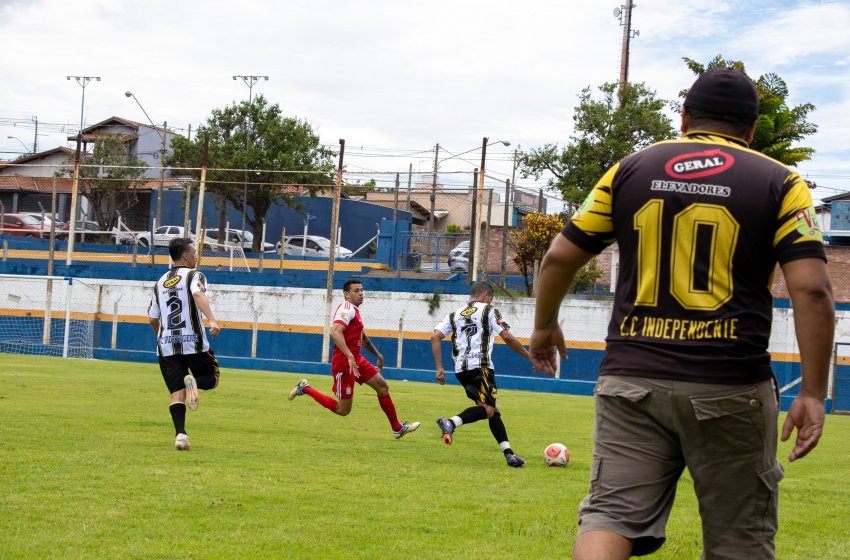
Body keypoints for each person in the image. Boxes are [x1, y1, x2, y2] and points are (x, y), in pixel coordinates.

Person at [529, 67, 835, 559]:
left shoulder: (629, 169)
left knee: (609, 516)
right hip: (731, 385)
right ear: (752, 129)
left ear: (685, 116)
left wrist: (544, 325)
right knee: (740, 539)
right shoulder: (782, 182)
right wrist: (815, 393)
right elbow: (814, 291)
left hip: (631, 379)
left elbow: (559, 257)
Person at [288, 278, 420, 439]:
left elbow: (362, 338)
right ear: (346, 294)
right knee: (343, 410)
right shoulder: (346, 309)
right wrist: (349, 356)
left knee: (383, 387)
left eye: (362, 290)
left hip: (356, 359)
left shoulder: (355, 311)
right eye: (356, 291)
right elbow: (335, 332)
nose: (361, 294)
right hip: (345, 363)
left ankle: (397, 428)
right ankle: (305, 388)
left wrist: (378, 355)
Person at [431, 281, 531, 468]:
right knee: (488, 409)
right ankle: (450, 422)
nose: (490, 300)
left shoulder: (454, 314)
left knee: (494, 409)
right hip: (481, 366)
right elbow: (507, 336)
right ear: (486, 294)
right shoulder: (489, 310)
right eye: (491, 297)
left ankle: (509, 454)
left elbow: (435, 336)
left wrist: (439, 368)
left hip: (461, 369)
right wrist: (528, 356)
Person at [148, 237, 222, 451]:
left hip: (167, 346)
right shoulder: (195, 275)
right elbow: (198, 294)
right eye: (194, 252)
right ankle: (194, 384)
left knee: (176, 393)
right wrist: (212, 320)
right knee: (213, 379)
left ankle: (181, 435)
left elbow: (152, 319)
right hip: (194, 343)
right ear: (186, 255)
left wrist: (161, 337)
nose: (197, 256)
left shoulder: (159, 282)